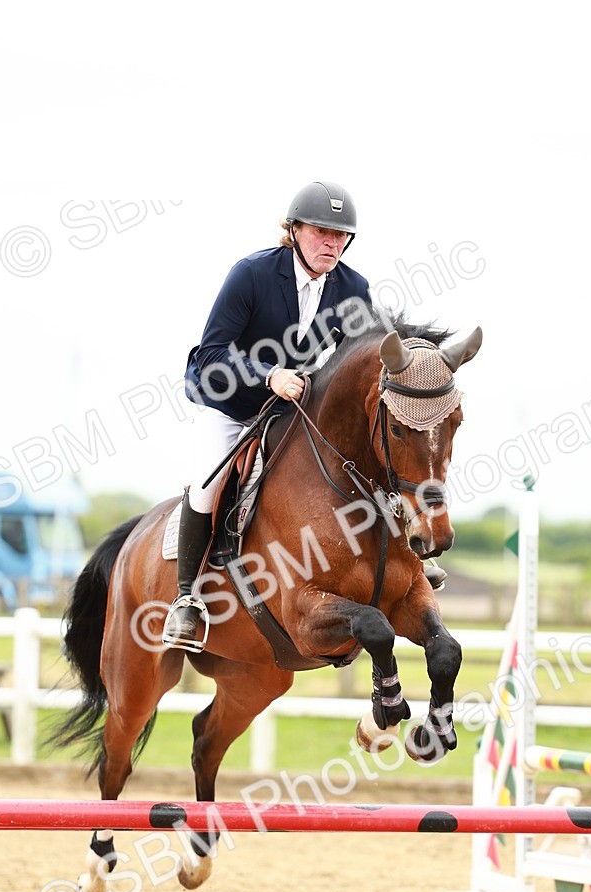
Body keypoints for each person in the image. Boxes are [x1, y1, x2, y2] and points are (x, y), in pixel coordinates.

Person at [162, 180, 445, 652]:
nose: (331, 243)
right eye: (321, 232)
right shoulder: (251, 275)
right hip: (230, 400)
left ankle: (407, 554)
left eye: (340, 236)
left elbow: (377, 354)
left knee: (370, 454)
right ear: (294, 230)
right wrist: (268, 376)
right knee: (209, 482)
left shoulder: (352, 288)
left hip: (293, 405)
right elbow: (210, 354)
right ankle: (187, 597)